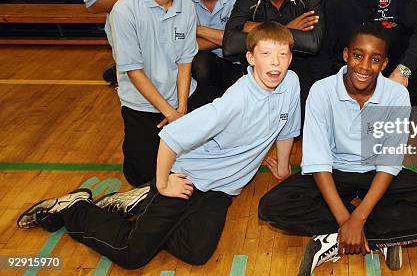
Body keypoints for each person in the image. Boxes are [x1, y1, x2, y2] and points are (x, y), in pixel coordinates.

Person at [17, 22, 301, 270]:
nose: (276, 62)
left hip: (220, 190)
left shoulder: (291, 82)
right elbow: (170, 137)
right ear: (250, 58)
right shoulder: (233, 103)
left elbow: (286, 128)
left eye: (283, 54)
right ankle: (75, 209)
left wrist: (284, 166)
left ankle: (141, 203)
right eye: (266, 54)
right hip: (187, 176)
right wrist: (165, 184)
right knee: (131, 254)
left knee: (196, 252)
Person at [259, 24, 417, 276]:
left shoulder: (396, 95)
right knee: (271, 207)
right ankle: (385, 235)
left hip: (378, 174)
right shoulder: (322, 91)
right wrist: (347, 221)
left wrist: (359, 219)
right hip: (334, 172)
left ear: (384, 63)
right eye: (358, 55)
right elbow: (319, 163)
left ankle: (334, 238)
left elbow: (389, 163)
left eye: (375, 59)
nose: (365, 66)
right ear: (346, 55)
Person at [107, 0, 205, 186]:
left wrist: (181, 108)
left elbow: (185, 62)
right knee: (142, 176)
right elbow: (133, 71)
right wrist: (169, 113)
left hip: (180, 101)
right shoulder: (124, 11)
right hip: (143, 105)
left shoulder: (186, 7)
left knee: (195, 169)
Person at [223, 0, 324, 106]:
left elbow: (313, 42)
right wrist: (285, 29)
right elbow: (230, 44)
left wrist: (254, 28)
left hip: (304, 73)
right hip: (263, 78)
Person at [181, 0, 244, 104]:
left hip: (235, 67)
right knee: (201, 62)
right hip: (199, 73)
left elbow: (239, 41)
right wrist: (226, 37)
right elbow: (182, 46)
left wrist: (196, 29)